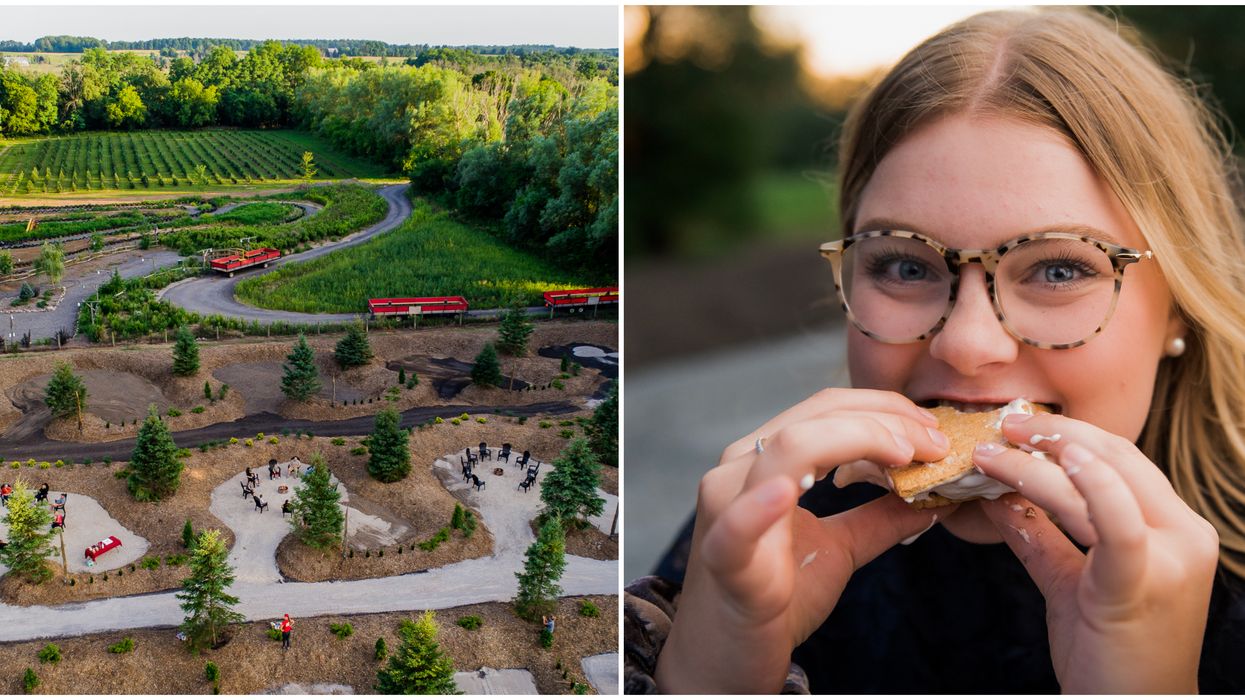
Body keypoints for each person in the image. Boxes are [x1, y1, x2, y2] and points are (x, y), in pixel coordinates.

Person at [626, 8, 1245, 694]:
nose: (966, 345)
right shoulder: (766, 529)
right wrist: (715, 666)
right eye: (905, 266)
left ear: (1178, 307)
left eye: (1059, 269)